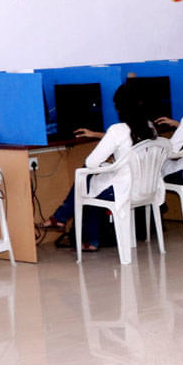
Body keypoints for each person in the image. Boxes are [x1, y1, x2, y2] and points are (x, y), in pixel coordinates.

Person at [41, 80, 157, 251]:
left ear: (120, 108)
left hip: (123, 190)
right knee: (91, 182)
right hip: (146, 187)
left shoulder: (117, 130)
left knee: (86, 178)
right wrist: (97, 135)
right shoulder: (149, 127)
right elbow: (126, 139)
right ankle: (65, 221)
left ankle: (65, 220)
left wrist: (105, 160)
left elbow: (91, 162)